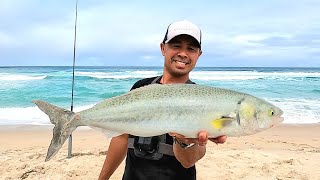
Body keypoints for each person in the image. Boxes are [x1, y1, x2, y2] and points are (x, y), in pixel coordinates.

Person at [98, 20, 227, 180]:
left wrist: (183, 141)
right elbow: (121, 138)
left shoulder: (200, 100)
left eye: (191, 48)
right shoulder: (141, 87)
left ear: (198, 55)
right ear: (163, 48)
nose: (183, 53)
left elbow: (189, 161)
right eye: (176, 45)